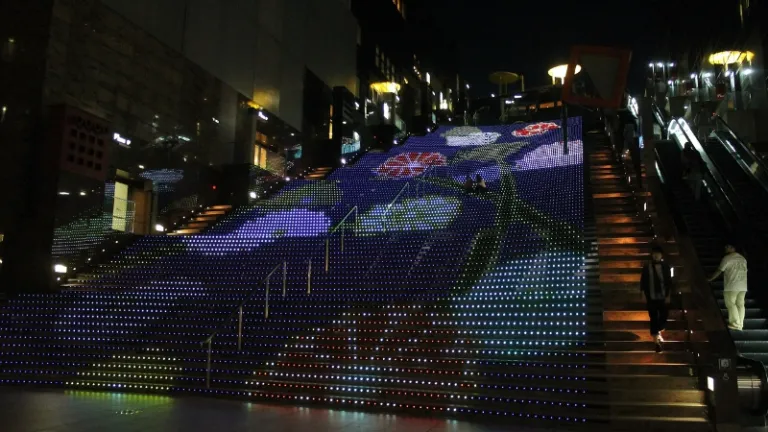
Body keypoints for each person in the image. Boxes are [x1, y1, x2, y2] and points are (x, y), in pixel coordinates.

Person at [640, 246, 674, 352]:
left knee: (664, 315)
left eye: (658, 254)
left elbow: (669, 281)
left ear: (661, 255)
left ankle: (658, 332)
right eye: (654, 253)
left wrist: (668, 295)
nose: (656, 255)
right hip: (651, 296)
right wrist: (643, 294)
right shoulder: (647, 267)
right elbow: (643, 281)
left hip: (663, 295)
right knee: (653, 317)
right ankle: (656, 342)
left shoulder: (666, 266)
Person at [708, 243, 748, 330]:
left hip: (732, 285)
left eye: (728, 246)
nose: (726, 248)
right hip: (743, 285)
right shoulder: (743, 259)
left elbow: (719, 270)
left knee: (730, 303)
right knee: (740, 304)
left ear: (733, 248)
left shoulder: (727, 258)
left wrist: (710, 278)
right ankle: (740, 324)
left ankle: (735, 323)